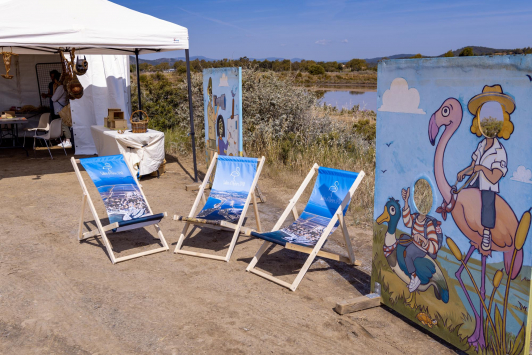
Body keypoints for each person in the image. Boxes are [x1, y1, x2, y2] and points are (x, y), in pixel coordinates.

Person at [457, 85, 513, 251]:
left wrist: (481, 168)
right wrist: (463, 172)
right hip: (475, 182)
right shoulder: (481, 145)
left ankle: (487, 233)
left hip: (488, 186)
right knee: (461, 196)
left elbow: (495, 177)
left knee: (488, 203)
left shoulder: (500, 151)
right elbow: (473, 166)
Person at [401, 187, 441, 292]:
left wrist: (423, 239)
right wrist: (406, 202)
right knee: (400, 242)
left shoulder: (429, 224)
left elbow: (434, 247)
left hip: (422, 248)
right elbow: (406, 222)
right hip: (414, 243)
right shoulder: (415, 218)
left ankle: (415, 277)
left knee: (408, 252)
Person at [51, 80, 72, 148]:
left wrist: (54, 89)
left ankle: (68, 140)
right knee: (62, 125)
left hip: (60, 109)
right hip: (62, 108)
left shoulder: (61, 87)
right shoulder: (64, 87)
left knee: (64, 125)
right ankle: (65, 140)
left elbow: (53, 98)